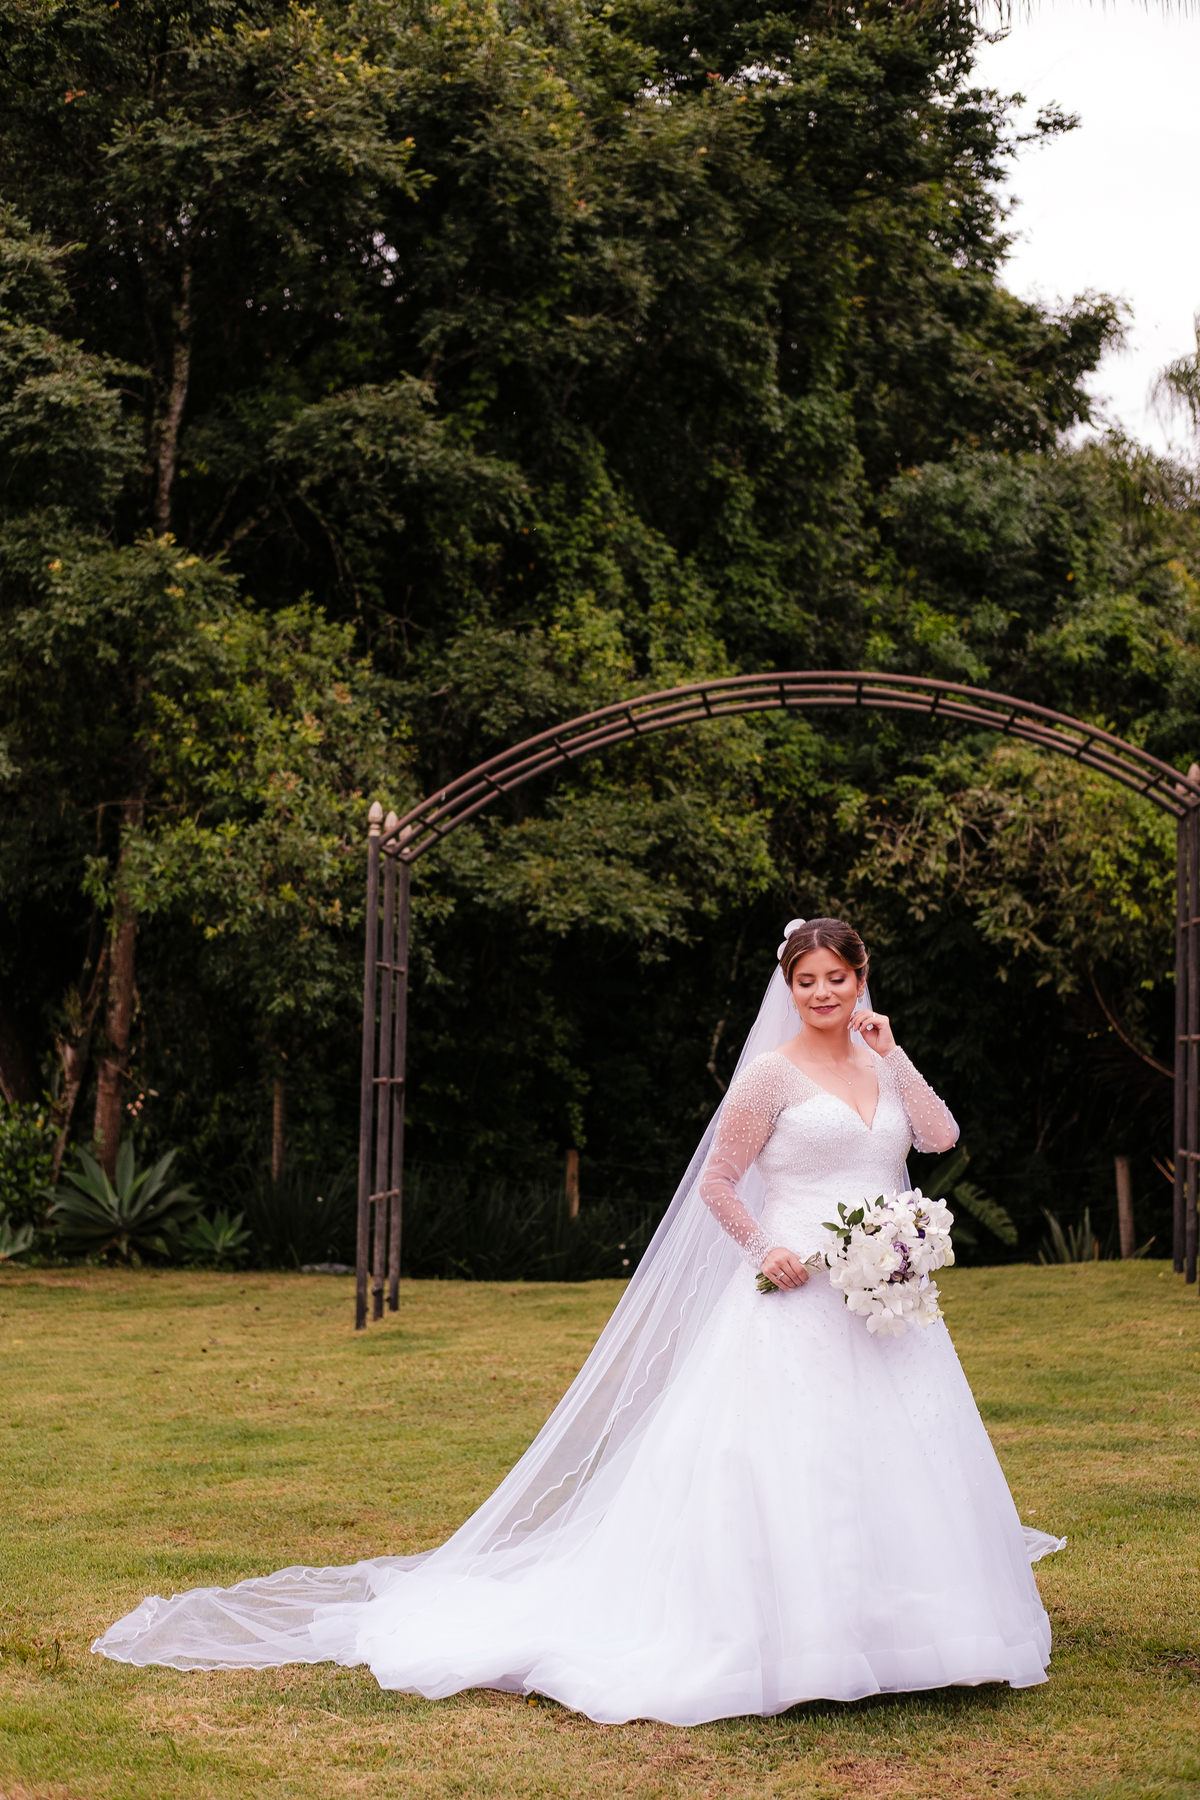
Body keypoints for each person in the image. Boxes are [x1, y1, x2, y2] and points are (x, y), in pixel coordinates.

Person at [94, 918, 1063, 1725]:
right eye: (807, 980)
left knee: (900, 1463)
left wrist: (897, 1056)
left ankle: (915, 1635)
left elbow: (939, 1140)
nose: (822, 994)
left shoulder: (880, 1061)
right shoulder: (769, 1077)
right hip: (795, 1291)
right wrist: (764, 1246)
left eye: (837, 979)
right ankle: (792, 1640)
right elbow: (720, 1184)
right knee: (788, 1465)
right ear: (790, 986)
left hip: (883, 1304)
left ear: (861, 981)